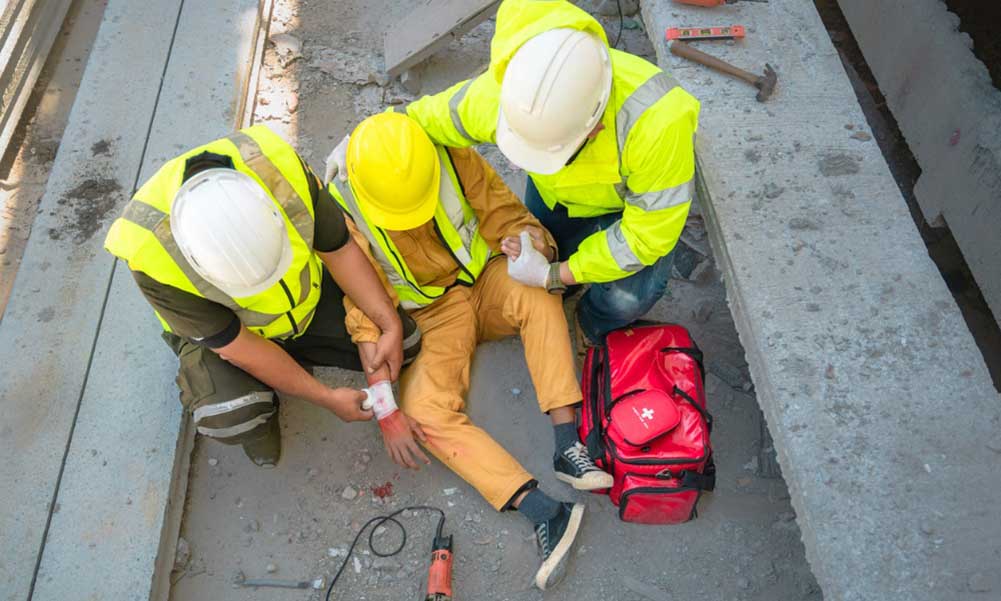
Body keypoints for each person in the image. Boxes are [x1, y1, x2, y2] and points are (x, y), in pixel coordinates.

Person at [329, 112, 612, 590]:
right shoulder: (341, 208)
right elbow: (362, 315)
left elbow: (513, 217)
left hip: (488, 280)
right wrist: (385, 407)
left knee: (540, 294)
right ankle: (545, 511)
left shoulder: (446, 154)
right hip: (434, 316)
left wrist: (528, 247)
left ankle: (569, 446)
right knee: (420, 412)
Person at [103, 125, 419, 467]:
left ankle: (293, 360)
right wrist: (326, 398)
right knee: (231, 414)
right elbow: (243, 349)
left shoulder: (277, 168)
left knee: (406, 342)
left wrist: (387, 325)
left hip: (304, 302)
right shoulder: (150, 255)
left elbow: (339, 249)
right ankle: (260, 417)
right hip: (228, 338)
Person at [405, 0, 700, 347]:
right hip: (554, 195)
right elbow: (428, 119)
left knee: (628, 297)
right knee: (549, 244)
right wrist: (369, 137)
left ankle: (591, 324)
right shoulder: (511, 94)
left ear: (594, 129)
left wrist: (554, 275)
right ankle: (560, 289)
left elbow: (644, 238)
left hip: (625, 209)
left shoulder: (659, 123)